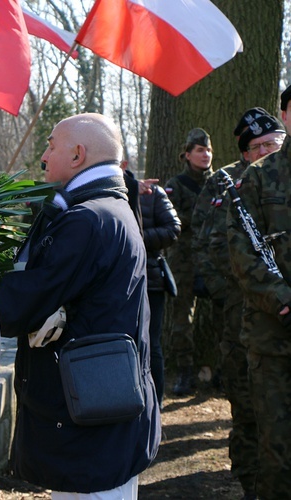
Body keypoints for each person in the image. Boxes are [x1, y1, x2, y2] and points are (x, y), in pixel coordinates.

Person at [0, 113, 160, 498]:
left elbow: (14, 308)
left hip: (93, 429)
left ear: (78, 154)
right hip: (101, 418)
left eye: (51, 145)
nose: (44, 155)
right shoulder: (111, 206)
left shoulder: (87, 219)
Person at [193, 109, 283, 500]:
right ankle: (251, 481)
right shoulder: (229, 182)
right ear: (244, 153)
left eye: (271, 144)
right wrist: (227, 294)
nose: (264, 151)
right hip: (243, 314)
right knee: (249, 409)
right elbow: (211, 244)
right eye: (256, 147)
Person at [226, 85, 291, 500]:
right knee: (279, 454)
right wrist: (281, 298)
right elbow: (242, 251)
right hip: (275, 342)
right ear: (285, 116)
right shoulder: (260, 177)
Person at [164, 128, 214, 395]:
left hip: (214, 257)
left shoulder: (219, 182)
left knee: (224, 314)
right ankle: (185, 371)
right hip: (183, 258)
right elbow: (173, 219)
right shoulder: (177, 184)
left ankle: (221, 370)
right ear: (187, 154)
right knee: (182, 317)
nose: (205, 155)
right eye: (199, 150)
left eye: (208, 150)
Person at [141, 183, 181, 408]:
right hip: (113, 282)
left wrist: (135, 236)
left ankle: (155, 405)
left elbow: (172, 228)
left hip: (151, 280)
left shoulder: (152, 193)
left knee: (151, 343)